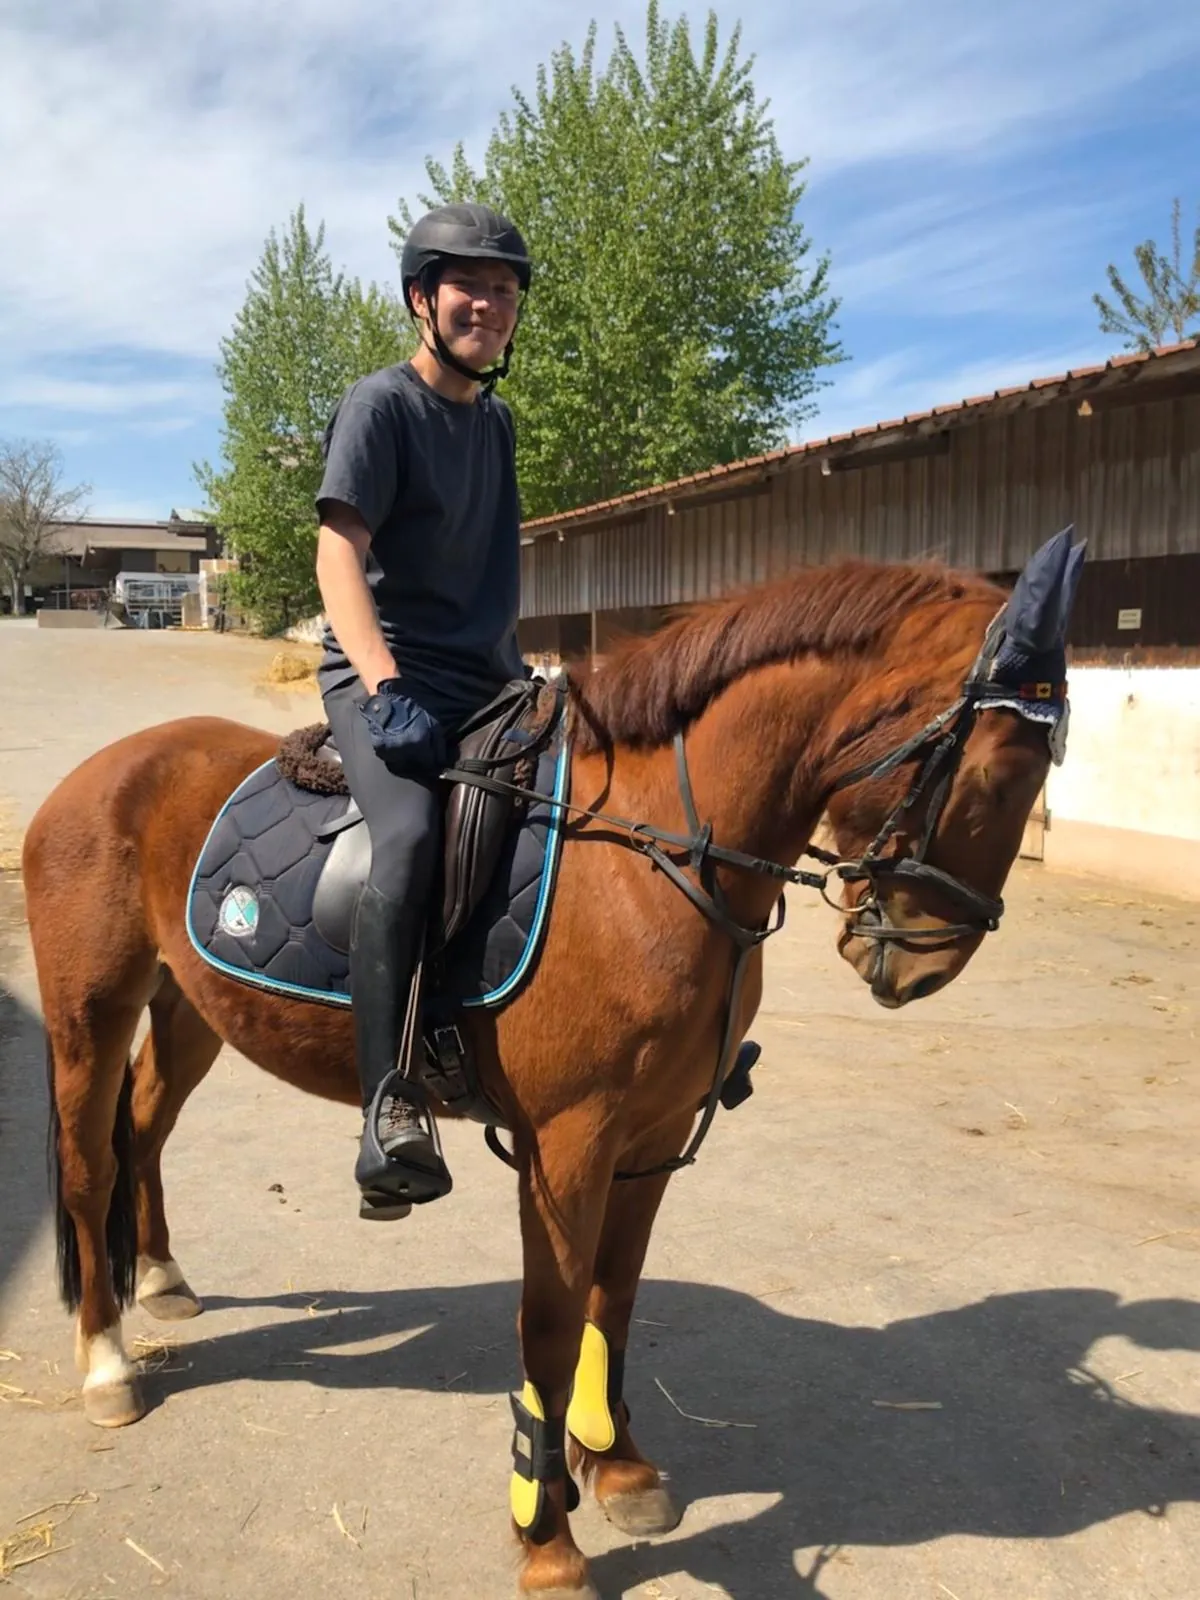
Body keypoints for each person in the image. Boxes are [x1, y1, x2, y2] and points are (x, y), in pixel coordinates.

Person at [313, 204, 532, 1221]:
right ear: (423, 297)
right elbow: (338, 557)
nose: (488, 301)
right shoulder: (379, 406)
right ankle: (386, 1106)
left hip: (487, 680)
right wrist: (385, 683)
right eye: (468, 284)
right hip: (385, 675)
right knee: (405, 838)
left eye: (504, 287)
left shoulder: (497, 423)